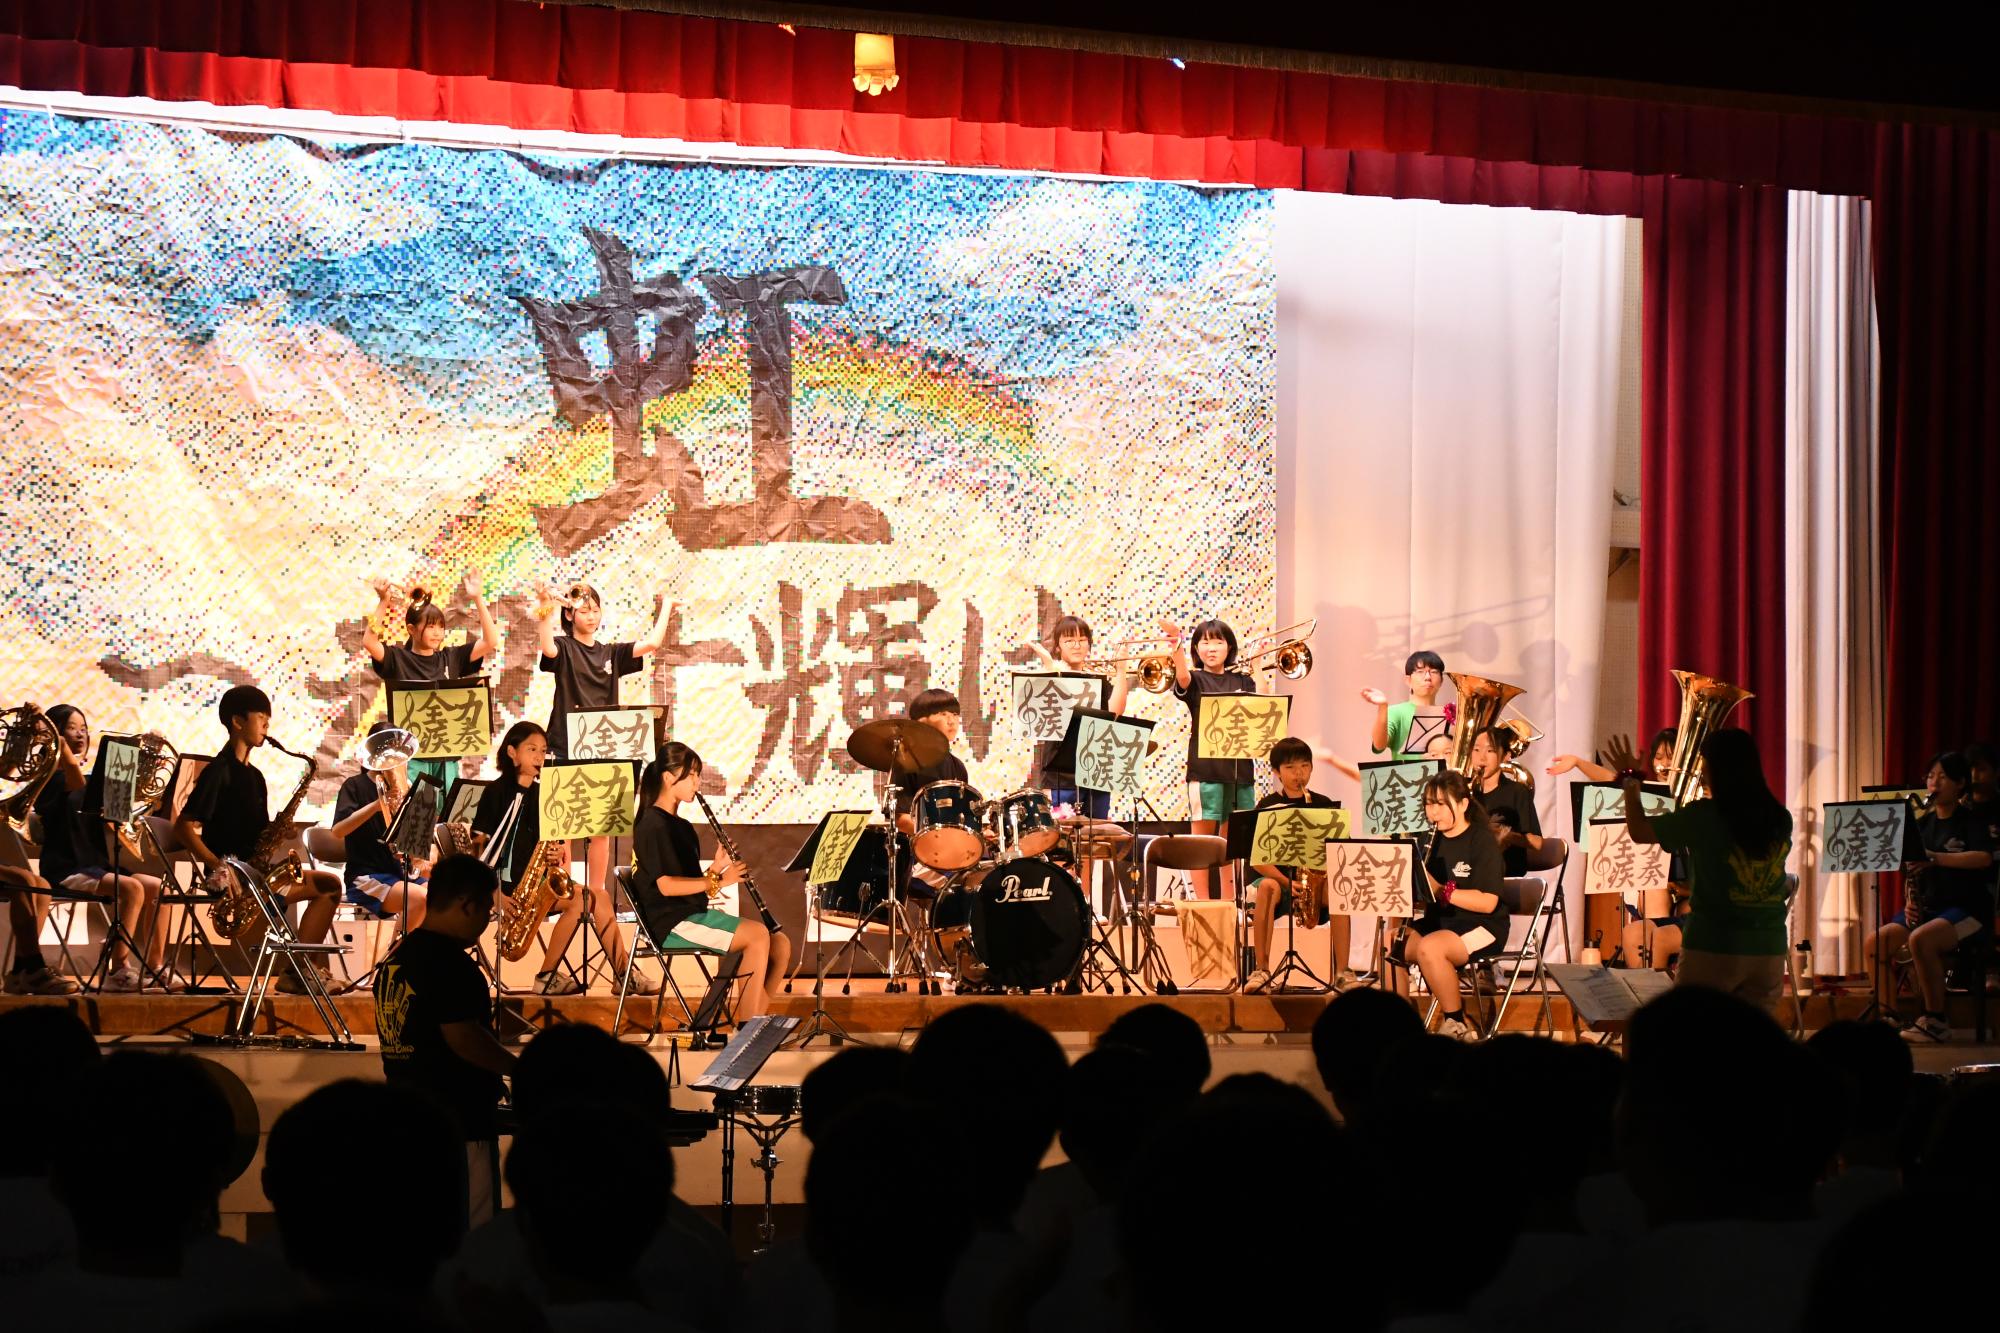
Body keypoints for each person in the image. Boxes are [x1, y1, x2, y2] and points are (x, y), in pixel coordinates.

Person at [374, 853, 518, 1226]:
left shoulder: (396, 960)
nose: (487, 920)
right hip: (460, 1122)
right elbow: (463, 1037)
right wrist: (520, 1068)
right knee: (472, 1233)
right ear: (465, 904)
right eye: (486, 909)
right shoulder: (452, 965)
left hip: (407, 1120)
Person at [1604, 726, 1794, 1008]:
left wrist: (1631, 783)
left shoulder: (1704, 816)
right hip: (1769, 948)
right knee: (1754, 1039)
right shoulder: (1780, 817)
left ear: (1721, 771)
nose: (1702, 774)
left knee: (1692, 1034)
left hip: (1714, 944)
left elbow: (1640, 831)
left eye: (1706, 766)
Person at [535, 580, 675, 957]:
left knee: (601, 832)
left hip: (605, 750)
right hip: (566, 747)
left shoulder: (611, 652)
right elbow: (546, 646)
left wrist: (667, 605)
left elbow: (652, 644)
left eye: (595, 609)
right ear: (570, 615)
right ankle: (562, 898)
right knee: (562, 830)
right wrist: (545, 607)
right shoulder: (563, 648)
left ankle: (596, 896)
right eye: (584, 610)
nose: (591, 616)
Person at [173, 685, 340, 993]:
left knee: (330, 886)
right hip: (234, 882)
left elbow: (258, 832)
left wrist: (281, 832)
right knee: (327, 886)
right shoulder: (218, 772)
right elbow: (182, 828)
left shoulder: (256, 777)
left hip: (258, 874)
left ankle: (299, 971)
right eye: (261, 717)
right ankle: (301, 973)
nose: (266, 726)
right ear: (238, 722)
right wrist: (219, 867)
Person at [471, 720, 642, 995]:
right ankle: (615, 974)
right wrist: (494, 893)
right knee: (589, 900)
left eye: (543, 750)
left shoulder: (545, 794)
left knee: (598, 898)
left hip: (536, 886)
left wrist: (555, 853)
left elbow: (551, 842)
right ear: (512, 752)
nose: (539, 757)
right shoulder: (495, 792)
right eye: (532, 749)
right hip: (505, 889)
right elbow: (478, 849)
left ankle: (616, 973)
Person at [631, 743, 790, 1020]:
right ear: (669, 778)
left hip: (690, 914)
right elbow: (666, 886)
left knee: (781, 944)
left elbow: (695, 887)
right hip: (670, 923)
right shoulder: (652, 825)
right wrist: (722, 879)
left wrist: (717, 869)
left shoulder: (682, 827)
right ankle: (747, 1027)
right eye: (691, 775)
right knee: (756, 935)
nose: (698, 782)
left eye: (698, 774)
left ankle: (750, 1021)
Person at [1860, 750, 1994, 1042]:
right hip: (1929, 908)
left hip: (1968, 911)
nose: (1934, 782)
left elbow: (1984, 858)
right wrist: (1909, 899)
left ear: (1960, 784)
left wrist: (1936, 858)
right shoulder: (1922, 824)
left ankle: (1936, 1021)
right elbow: (1911, 871)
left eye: (1942, 776)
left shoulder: (1971, 821)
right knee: (1875, 944)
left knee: (1921, 939)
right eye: (1931, 776)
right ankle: (1889, 1017)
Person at [361, 569, 499, 796]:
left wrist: (477, 598)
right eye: (431, 626)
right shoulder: (398, 659)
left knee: (447, 817)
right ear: (412, 630)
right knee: (417, 816)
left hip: (447, 755)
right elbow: (369, 641)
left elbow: (490, 640)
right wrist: (383, 601)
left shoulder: (451, 658)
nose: (437, 632)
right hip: (412, 757)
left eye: (440, 626)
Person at [1394, 769, 1508, 1040]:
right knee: (1392, 942)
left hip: (1482, 925)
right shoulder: (1427, 840)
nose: (1433, 812)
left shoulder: (1482, 842)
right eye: (1428, 804)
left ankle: (1456, 1022)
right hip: (1441, 922)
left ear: (1463, 804)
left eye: (1441, 804)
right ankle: (1398, 1020)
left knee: (1430, 947)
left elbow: (1488, 902)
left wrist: (1442, 891)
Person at [1242, 736, 1356, 993]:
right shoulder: (1267, 806)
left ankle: (1343, 972)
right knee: (1267, 886)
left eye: (1304, 766)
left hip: (1315, 882)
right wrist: (1286, 881)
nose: (1299, 774)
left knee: (1340, 890)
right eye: (1290, 768)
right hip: (1279, 882)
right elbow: (1258, 859)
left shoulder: (1324, 805)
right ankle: (1261, 970)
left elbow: (1341, 852)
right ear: (1277, 772)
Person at [1163, 617, 1256, 898]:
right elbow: (1181, 678)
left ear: (1229, 647)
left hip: (1240, 771)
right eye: (1204, 641)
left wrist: (1260, 666)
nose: (1211, 647)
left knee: (1232, 843)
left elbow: (1263, 706)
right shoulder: (1196, 679)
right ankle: (1202, 902)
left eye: (1218, 641)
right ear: (1196, 648)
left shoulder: (1243, 680)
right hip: (1205, 771)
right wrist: (1175, 643)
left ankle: (1231, 901)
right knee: (1202, 841)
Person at [1022, 614, 1133, 819]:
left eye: (1082, 640)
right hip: (1060, 777)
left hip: (1096, 773)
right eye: (1069, 640)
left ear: (1089, 645)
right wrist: (1050, 666)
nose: (1077, 645)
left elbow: (1115, 713)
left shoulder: (1098, 682)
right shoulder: (1049, 675)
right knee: (1064, 839)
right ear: (1058, 646)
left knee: (1097, 837)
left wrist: (1121, 671)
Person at [329, 719, 428, 939]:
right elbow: (338, 831)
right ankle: (394, 962)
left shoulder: (409, 788)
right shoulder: (354, 785)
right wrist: (376, 806)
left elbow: (420, 844)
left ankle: (412, 962)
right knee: (420, 899)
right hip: (367, 875)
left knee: (441, 901)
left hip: (402, 874)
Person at [1469, 723, 1544, 878]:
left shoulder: (1517, 791)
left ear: (1506, 756)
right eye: (1476, 750)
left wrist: (1506, 836)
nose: (1481, 757)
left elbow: (1537, 842)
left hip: (1505, 874)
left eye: (1490, 750)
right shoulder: (1465, 792)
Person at [1363, 649, 1454, 761]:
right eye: (1420, 672)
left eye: (1434, 672)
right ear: (1408, 680)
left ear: (1441, 680)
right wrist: (1383, 707)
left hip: (1443, 778)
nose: (1428, 677)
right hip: (1408, 777)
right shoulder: (1396, 712)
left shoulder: (1451, 714)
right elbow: (1379, 745)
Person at [1547, 726, 1677, 785]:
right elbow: (1607, 776)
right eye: (1659, 757)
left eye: (1670, 757)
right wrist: (1577, 762)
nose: (1664, 764)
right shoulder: (1647, 788)